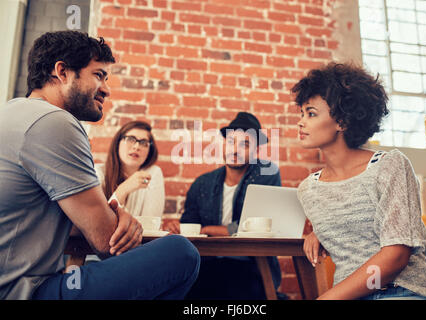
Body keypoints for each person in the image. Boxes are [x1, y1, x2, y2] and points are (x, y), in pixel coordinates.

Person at [0, 30, 199, 300]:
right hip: (22, 292)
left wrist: (107, 216)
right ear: (63, 72)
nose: (106, 88)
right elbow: (107, 241)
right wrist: (115, 219)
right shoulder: (53, 122)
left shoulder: (12, 112)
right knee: (180, 253)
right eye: (98, 75)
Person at [294, 62, 426, 300]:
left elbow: (396, 255)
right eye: (301, 113)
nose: (300, 122)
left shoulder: (389, 166)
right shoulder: (308, 190)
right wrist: (321, 231)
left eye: (311, 113)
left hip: (401, 291)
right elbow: (355, 225)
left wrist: (327, 298)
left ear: (342, 121)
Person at [166, 112, 283, 300]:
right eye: (231, 142)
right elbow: (189, 227)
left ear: (257, 151)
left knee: (238, 288)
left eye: (245, 144)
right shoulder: (202, 183)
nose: (235, 150)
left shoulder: (266, 175)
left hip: (250, 265)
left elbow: (257, 226)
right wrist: (177, 228)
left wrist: (208, 230)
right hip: (206, 263)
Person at [96, 120, 165, 218]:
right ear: (117, 143)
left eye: (144, 142)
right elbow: (98, 222)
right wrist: (123, 189)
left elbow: (151, 223)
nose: (137, 147)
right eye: (130, 139)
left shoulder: (153, 173)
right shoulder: (98, 173)